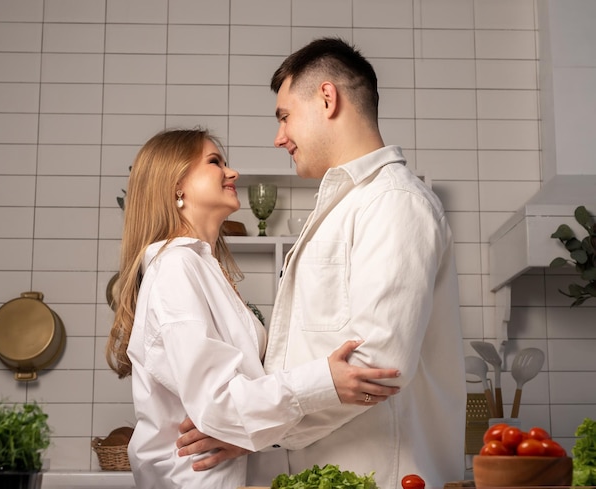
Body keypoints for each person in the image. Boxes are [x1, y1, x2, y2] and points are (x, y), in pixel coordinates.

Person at [176, 38, 467, 489]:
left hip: (382, 476)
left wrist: (255, 429)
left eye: (284, 116)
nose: (279, 137)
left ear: (327, 99)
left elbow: (376, 368)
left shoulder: (394, 202)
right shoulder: (347, 206)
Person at [105, 128, 401, 489]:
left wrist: (251, 433)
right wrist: (325, 381)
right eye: (215, 162)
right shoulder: (175, 268)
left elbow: (230, 408)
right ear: (176, 185)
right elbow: (218, 405)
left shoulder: (203, 268)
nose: (232, 173)